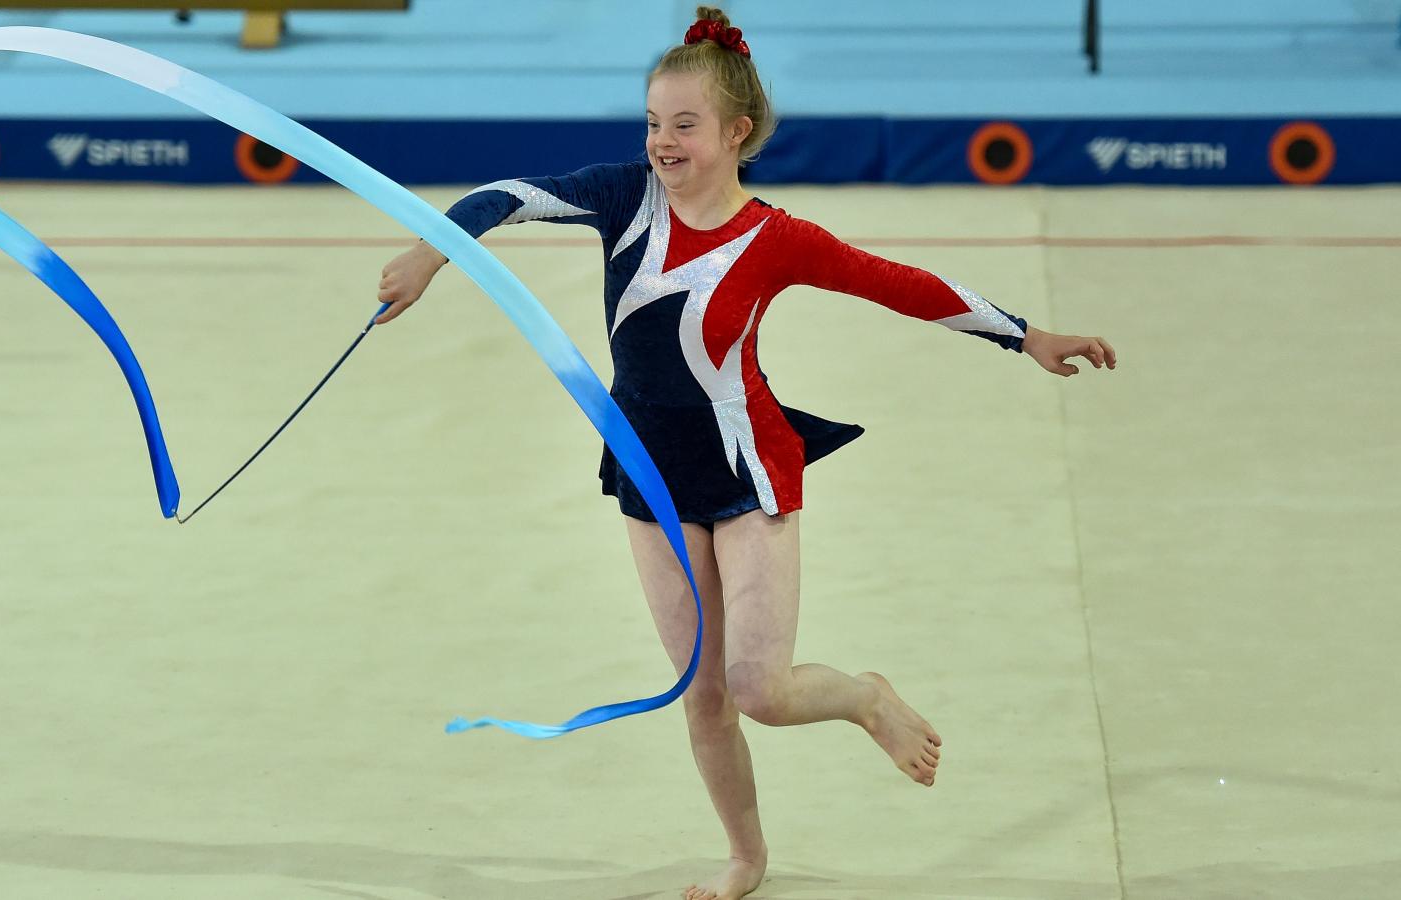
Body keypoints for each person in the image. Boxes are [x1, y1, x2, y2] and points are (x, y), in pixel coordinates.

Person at [374, 7, 1117, 899]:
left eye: (684, 125)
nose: (662, 142)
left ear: (737, 133)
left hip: (746, 465)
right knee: (704, 695)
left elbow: (899, 285)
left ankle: (864, 696)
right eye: (653, 123)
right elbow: (506, 195)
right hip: (648, 469)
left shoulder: (777, 240)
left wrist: (1025, 334)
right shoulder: (622, 196)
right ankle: (746, 856)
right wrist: (430, 254)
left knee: (760, 688)